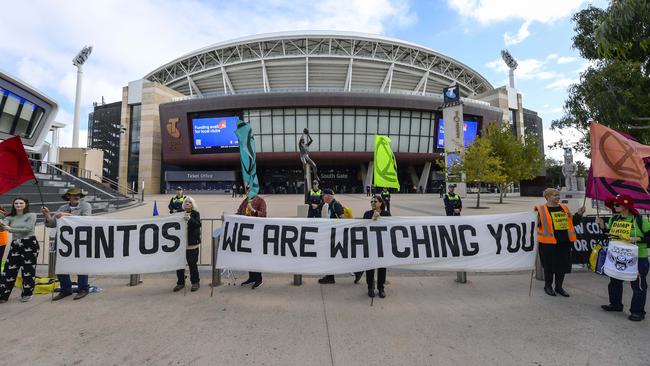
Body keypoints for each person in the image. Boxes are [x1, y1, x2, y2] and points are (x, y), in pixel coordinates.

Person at [597, 194, 650, 321]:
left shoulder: (640, 220)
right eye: (614, 204)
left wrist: (638, 238)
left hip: (638, 259)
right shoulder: (614, 219)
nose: (614, 206)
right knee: (614, 282)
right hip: (616, 256)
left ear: (626, 206)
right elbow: (609, 236)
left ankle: (638, 312)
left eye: (617, 204)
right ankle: (615, 304)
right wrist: (602, 226)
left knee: (638, 285)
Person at [42, 188, 92, 301]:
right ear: (68, 196)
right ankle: (66, 289)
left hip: (80, 240)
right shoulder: (62, 207)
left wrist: (65, 215)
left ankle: (83, 288)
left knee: (81, 264)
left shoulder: (85, 206)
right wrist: (47, 214)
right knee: (61, 264)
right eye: (73, 195)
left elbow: (85, 219)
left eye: (78, 195)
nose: (76, 196)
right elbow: (52, 223)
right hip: (64, 240)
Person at [534, 188, 585, 297]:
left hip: (564, 242)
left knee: (562, 266)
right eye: (555, 195)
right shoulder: (540, 209)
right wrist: (536, 220)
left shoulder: (564, 208)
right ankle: (548, 286)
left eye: (558, 195)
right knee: (549, 266)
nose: (558, 197)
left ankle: (559, 287)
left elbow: (573, 222)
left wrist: (579, 214)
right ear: (547, 197)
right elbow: (534, 225)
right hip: (548, 243)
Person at [0, 197, 38, 303]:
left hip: (29, 242)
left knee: (28, 270)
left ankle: (27, 294)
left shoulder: (31, 215)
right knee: (8, 270)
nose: (18, 205)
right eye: (16, 203)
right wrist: (1, 221)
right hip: (15, 244)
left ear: (26, 204)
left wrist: (10, 229)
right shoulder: (11, 216)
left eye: (21, 203)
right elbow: (3, 226)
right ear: (13, 205)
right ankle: (3, 295)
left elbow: (28, 229)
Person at [237, 185, 267, 289]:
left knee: (255, 256)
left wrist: (253, 210)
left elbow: (264, 214)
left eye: (250, 189)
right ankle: (251, 277)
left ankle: (258, 279)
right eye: (247, 189)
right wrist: (228, 217)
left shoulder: (260, 201)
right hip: (246, 233)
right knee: (248, 257)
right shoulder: (245, 201)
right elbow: (239, 212)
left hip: (256, 233)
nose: (248, 191)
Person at [318, 189, 349, 284]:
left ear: (328, 196)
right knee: (332, 256)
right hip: (332, 235)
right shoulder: (329, 205)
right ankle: (330, 276)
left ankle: (357, 271)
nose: (322, 197)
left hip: (337, 235)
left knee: (335, 256)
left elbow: (343, 219)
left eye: (323, 195)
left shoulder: (336, 205)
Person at [363, 195, 391, 298]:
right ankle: (370, 287)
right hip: (370, 244)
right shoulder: (367, 214)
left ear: (380, 203)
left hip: (382, 244)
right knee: (370, 266)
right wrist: (373, 219)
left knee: (381, 267)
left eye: (375, 201)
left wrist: (381, 218)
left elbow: (391, 226)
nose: (373, 203)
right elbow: (364, 226)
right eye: (371, 201)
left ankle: (381, 287)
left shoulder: (386, 214)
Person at [174, 197, 202, 292]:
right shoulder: (179, 213)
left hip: (191, 244)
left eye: (190, 202)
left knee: (192, 264)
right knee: (179, 265)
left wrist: (190, 219)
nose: (187, 203)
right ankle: (180, 282)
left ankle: (195, 282)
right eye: (186, 201)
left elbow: (198, 224)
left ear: (192, 204)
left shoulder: (195, 214)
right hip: (180, 244)